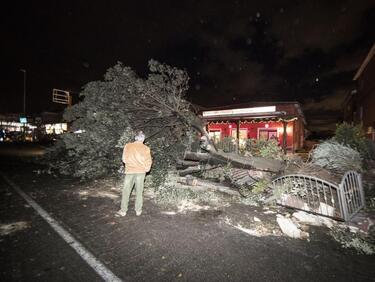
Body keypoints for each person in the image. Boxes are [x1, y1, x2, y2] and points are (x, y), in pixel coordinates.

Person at [117, 131, 152, 217]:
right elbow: (148, 161)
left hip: (130, 172)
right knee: (139, 192)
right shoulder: (146, 148)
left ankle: (123, 211)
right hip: (141, 172)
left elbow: (124, 159)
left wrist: (130, 164)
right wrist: (146, 169)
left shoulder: (128, 146)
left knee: (126, 191)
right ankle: (138, 210)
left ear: (135, 138)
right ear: (143, 139)